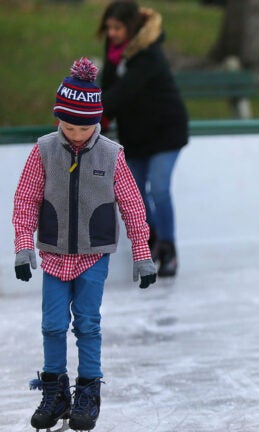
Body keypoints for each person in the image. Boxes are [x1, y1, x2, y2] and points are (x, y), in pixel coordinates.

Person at [12, 57, 157, 431]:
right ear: (58, 118)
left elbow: (132, 205)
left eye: (85, 126)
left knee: (88, 324)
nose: (77, 134)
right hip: (54, 254)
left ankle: (89, 391)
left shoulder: (112, 154)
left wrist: (142, 256)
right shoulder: (44, 150)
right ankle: (54, 390)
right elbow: (25, 199)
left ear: (97, 121)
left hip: (94, 255)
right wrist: (22, 247)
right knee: (52, 325)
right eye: (70, 126)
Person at [98, 0, 189, 277]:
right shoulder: (115, 53)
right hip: (135, 135)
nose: (112, 33)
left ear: (132, 27)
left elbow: (124, 91)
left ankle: (168, 249)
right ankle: (152, 241)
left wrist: (87, 113)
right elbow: (108, 88)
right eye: (109, 27)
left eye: (117, 27)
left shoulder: (149, 54)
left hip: (166, 131)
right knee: (135, 195)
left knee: (159, 188)